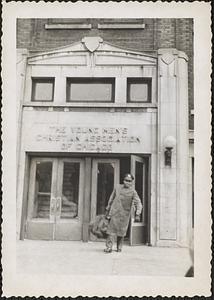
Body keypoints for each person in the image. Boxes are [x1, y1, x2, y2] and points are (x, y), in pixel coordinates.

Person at [104, 173, 142, 253]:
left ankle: (119, 247)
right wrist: (108, 210)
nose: (127, 182)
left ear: (132, 182)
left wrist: (138, 213)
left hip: (124, 214)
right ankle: (109, 247)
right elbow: (111, 199)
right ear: (123, 180)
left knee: (121, 231)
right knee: (111, 231)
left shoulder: (133, 192)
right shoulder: (117, 188)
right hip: (114, 213)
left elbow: (138, 203)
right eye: (126, 180)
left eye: (129, 181)